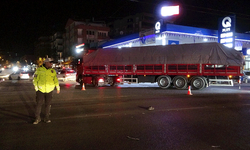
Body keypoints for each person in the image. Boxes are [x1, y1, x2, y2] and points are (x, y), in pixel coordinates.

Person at [33, 58, 60, 124]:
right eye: (50, 62)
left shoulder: (53, 71)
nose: (51, 64)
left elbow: (55, 80)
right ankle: (37, 118)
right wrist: (36, 89)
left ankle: (46, 118)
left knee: (48, 105)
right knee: (39, 104)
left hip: (49, 90)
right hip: (40, 90)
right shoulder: (39, 70)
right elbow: (35, 80)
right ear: (46, 63)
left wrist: (57, 88)